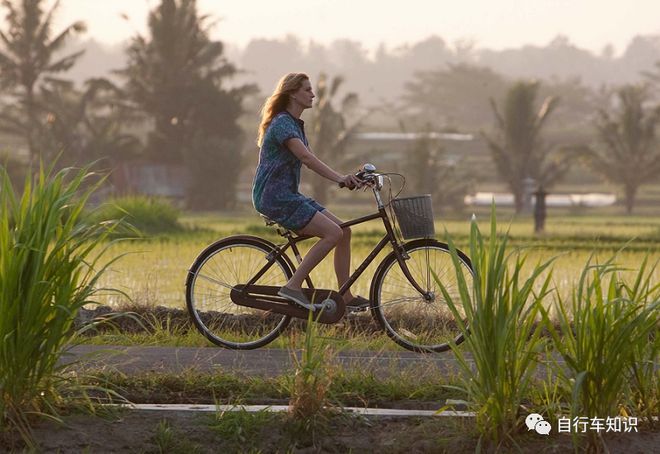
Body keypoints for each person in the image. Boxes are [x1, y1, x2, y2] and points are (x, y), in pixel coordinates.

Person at [252, 72, 368, 311]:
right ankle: (293, 287)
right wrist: (339, 178)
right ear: (292, 93)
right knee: (333, 234)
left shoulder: (294, 124)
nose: (313, 94)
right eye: (307, 89)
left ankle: (344, 296)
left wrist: (349, 178)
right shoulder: (283, 122)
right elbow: (305, 157)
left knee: (344, 231)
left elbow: (312, 157)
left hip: (288, 195)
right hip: (275, 197)